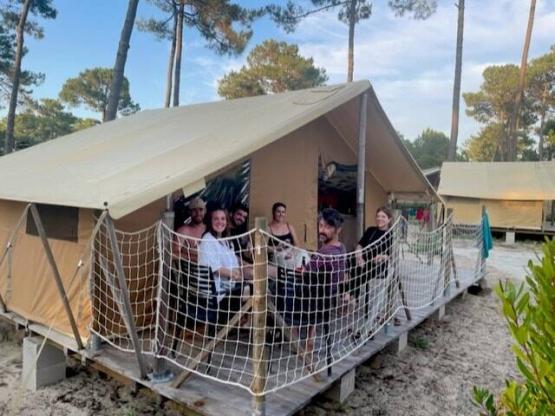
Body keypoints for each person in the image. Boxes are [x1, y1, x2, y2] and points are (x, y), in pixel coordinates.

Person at [198, 206, 252, 322]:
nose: (220, 222)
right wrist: (236, 275)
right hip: (216, 295)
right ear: (210, 221)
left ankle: (245, 323)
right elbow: (216, 269)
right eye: (216, 219)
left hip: (226, 286)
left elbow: (234, 265)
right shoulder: (207, 240)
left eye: (223, 219)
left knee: (259, 285)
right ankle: (242, 324)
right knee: (256, 289)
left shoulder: (224, 241)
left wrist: (238, 274)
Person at [354, 206, 398, 325]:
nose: (380, 219)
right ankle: (351, 296)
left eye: (383, 216)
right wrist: (359, 254)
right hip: (363, 260)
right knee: (351, 263)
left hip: (377, 265)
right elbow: (360, 244)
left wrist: (381, 257)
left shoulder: (390, 235)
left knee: (360, 270)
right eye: (378, 216)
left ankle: (351, 297)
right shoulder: (370, 230)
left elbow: (389, 255)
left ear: (389, 219)